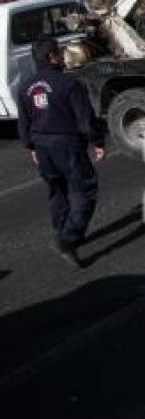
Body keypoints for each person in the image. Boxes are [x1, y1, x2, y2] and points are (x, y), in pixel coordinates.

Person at [17, 38, 106, 268]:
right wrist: (97, 141)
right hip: (67, 145)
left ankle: (61, 232)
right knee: (85, 192)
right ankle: (67, 239)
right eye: (59, 52)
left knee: (57, 191)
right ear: (51, 57)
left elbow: (24, 123)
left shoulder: (26, 86)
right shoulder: (69, 84)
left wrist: (31, 147)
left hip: (42, 147)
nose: (62, 56)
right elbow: (85, 120)